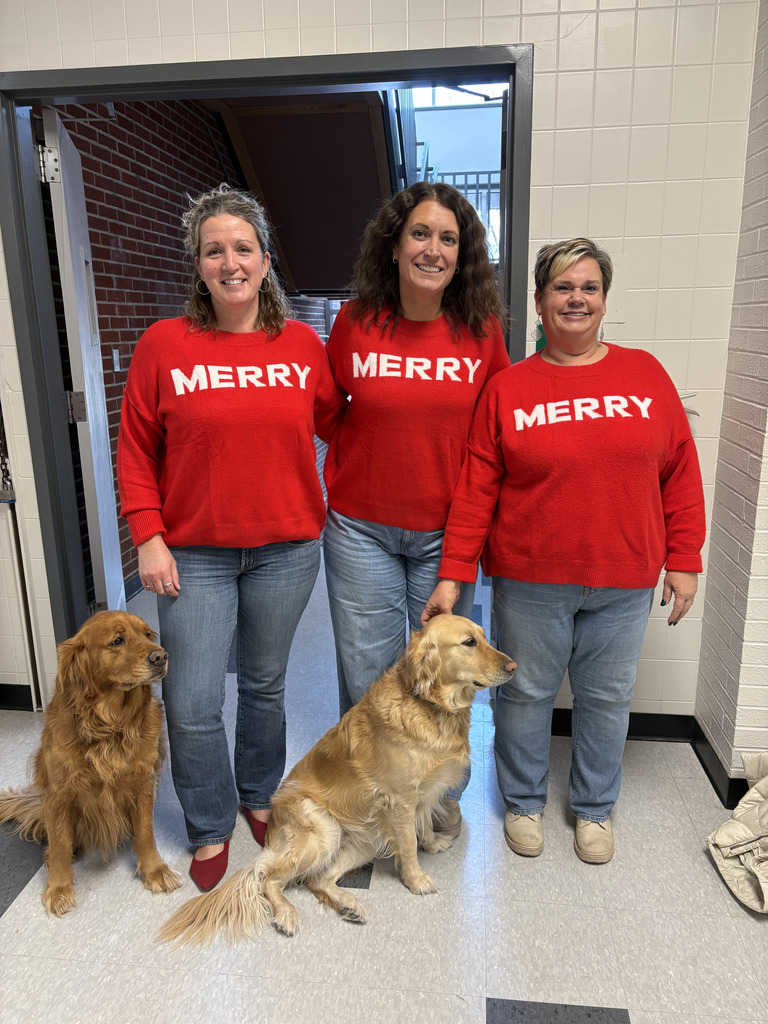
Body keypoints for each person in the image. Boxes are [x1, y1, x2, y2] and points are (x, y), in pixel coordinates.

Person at [422, 237, 705, 863]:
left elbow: (680, 472)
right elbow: (475, 491)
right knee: (524, 694)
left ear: (603, 300)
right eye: (562, 288)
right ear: (540, 300)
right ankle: (523, 802)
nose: (576, 298)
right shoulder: (509, 389)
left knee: (606, 699)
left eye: (589, 288)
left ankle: (594, 810)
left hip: (624, 578)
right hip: (530, 579)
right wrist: (452, 574)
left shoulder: (646, 376)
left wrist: (684, 559)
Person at [117, 184, 346, 891]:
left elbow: (343, 426)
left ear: (265, 260)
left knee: (266, 685)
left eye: (242, 247)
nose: (230, 261)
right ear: (199, 264)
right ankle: (209, 823)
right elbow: (133, 449)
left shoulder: (303, 345)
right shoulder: (164, 346)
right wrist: (147, 536)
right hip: (193, 555)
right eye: (214, 249)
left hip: (285, 550)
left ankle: (255, 794)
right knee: (189, 699)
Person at [322, 181, 510, 836]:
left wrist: (460, 560)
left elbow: (490, 449)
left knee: (445, 673)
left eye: (449, 239)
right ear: (395, 245)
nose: (433, 248)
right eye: (421, 234)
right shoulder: (354, 323)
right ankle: (372, 802)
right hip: (359, 530)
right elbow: (324, 408)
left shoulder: (483, 334)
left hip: (445, 536)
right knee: (371, 676)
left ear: (464, 255)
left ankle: (435, 796)